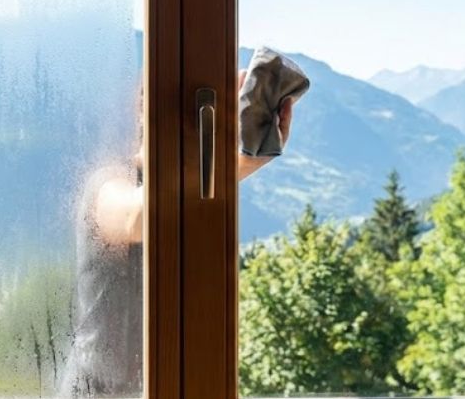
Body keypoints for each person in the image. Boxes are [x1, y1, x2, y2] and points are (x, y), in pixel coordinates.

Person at [62, 73, 296, 397]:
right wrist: (232, 164)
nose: (201, 130)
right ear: (146, 111)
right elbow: (136, 218)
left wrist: (242, 161)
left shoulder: (197, 192)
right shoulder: (108, 181)